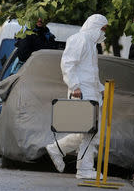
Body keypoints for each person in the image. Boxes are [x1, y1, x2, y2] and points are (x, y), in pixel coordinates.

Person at [46, 14, 108, 180]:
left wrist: (101, 88)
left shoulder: (90, 44)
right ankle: (85, 169)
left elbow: (89, 72)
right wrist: (74, 86)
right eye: (102, 29)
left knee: (87, 132)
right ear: (95, 26)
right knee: (91, 133)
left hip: (90, 92)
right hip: (82, 93)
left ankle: (56, 149)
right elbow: (67, 63)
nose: (103, 33)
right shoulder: (80, 39)